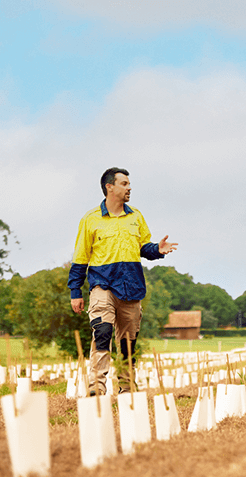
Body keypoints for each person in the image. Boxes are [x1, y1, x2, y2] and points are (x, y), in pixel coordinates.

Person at [68, 167, 177, 395]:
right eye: (125, 184)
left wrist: (157, 249)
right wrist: (75, 291)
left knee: (128, 344)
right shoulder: (90, 219)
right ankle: (96, 387)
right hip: (102, 285)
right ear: (110, 187)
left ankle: (127, 388)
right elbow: (80, 257)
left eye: (128, 184)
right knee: (102, 330)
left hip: (131, 286)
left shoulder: (135, 216)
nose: (129, 188)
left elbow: (143, 247)